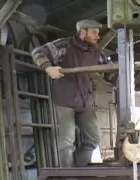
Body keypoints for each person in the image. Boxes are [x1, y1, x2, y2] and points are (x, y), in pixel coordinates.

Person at [31, 19, 116, 168]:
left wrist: (118, 71)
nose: (98, 36)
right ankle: (68, 176)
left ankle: (80, 170)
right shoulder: (64, 45)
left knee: (93, 139)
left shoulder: (96, 51)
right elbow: (38, 52)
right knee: (66, 142)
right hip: (65, 101)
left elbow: (109, 70)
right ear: (83, 33)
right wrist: (47, 67)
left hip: (86, 101)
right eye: (94, 32)